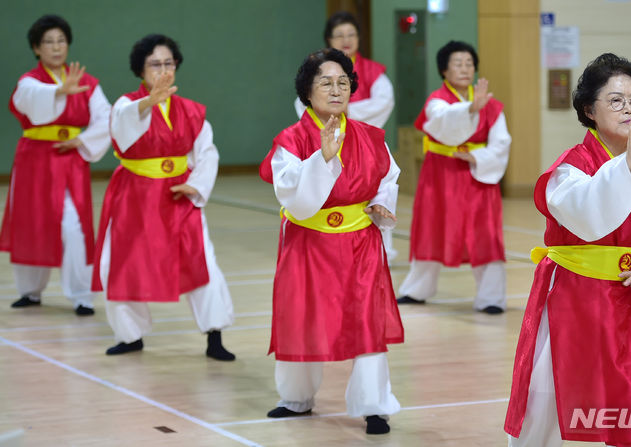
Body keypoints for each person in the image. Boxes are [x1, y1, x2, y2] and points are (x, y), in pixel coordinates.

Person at [505, 53, 631, 447]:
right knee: (551, 400)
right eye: (616, 100)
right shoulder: (569, 169)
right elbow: (589, 215)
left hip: (628, 300)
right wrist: (624, 168)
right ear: (589, 110)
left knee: (630, 401)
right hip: (574, 297)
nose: (629, 109)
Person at [260, 48, 403, 435]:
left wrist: (379, 203)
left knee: (367, 322)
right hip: (309, 243)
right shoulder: (290, 140)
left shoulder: (372, 137)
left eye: (343, 82)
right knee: (302, 318)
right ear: (307, 91)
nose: (336, 90)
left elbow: (387, 178)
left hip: (360, 243)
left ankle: (374, 405)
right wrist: (320, 160)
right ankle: (296, 398)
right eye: (326, 82)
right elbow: (293, 196)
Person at [91, 34, 235, 361]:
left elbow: (207, 152)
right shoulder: (127, 105)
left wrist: (196, 185)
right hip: (134, 195)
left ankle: (215, 335)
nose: (163, 69)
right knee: (119, 264)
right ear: (140, 70)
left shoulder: (191, 111)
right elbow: (123, 126)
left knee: (202, 261)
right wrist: (148, 103)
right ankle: (130, 335)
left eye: (169, 63)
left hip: (179, 194)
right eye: (155, 64)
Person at [1, 14, 111, 316]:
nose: (56, 47)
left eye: (61, 40)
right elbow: (27, 100)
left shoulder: (87, 82)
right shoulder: (30, 81)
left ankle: (82, 296)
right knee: (31, 223)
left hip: (70, 161)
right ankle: (30, 292)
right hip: (34, 161)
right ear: (36, 48)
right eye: (48, 42)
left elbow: (106, 116)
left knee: (74, 226)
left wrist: (83, 140)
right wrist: (58, 91)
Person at [396, 40, 511, 313]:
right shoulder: (437, 101)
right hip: (441, 175)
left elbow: (501, 141)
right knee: (431, 229)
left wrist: (478, 157)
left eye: (469, 63)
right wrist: (471, 109)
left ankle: (491, 297)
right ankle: (417, 289)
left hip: (477, 177)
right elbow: (441, 123)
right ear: (443, 71)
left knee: (485, 234)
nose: (464, 69)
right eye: (457, 64)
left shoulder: (492, 106)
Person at [293, 11, 398, 261]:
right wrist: (336, 119)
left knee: (375, 193)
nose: (346, 40)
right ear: (329, 39)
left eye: (351, 34)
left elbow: (384, 103)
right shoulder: (314, 71)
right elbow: (303, 108)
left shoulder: (374, 72)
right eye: (339, 35)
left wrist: (349, 117)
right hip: (327, 144)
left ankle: (380, 249)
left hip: (363, 145)